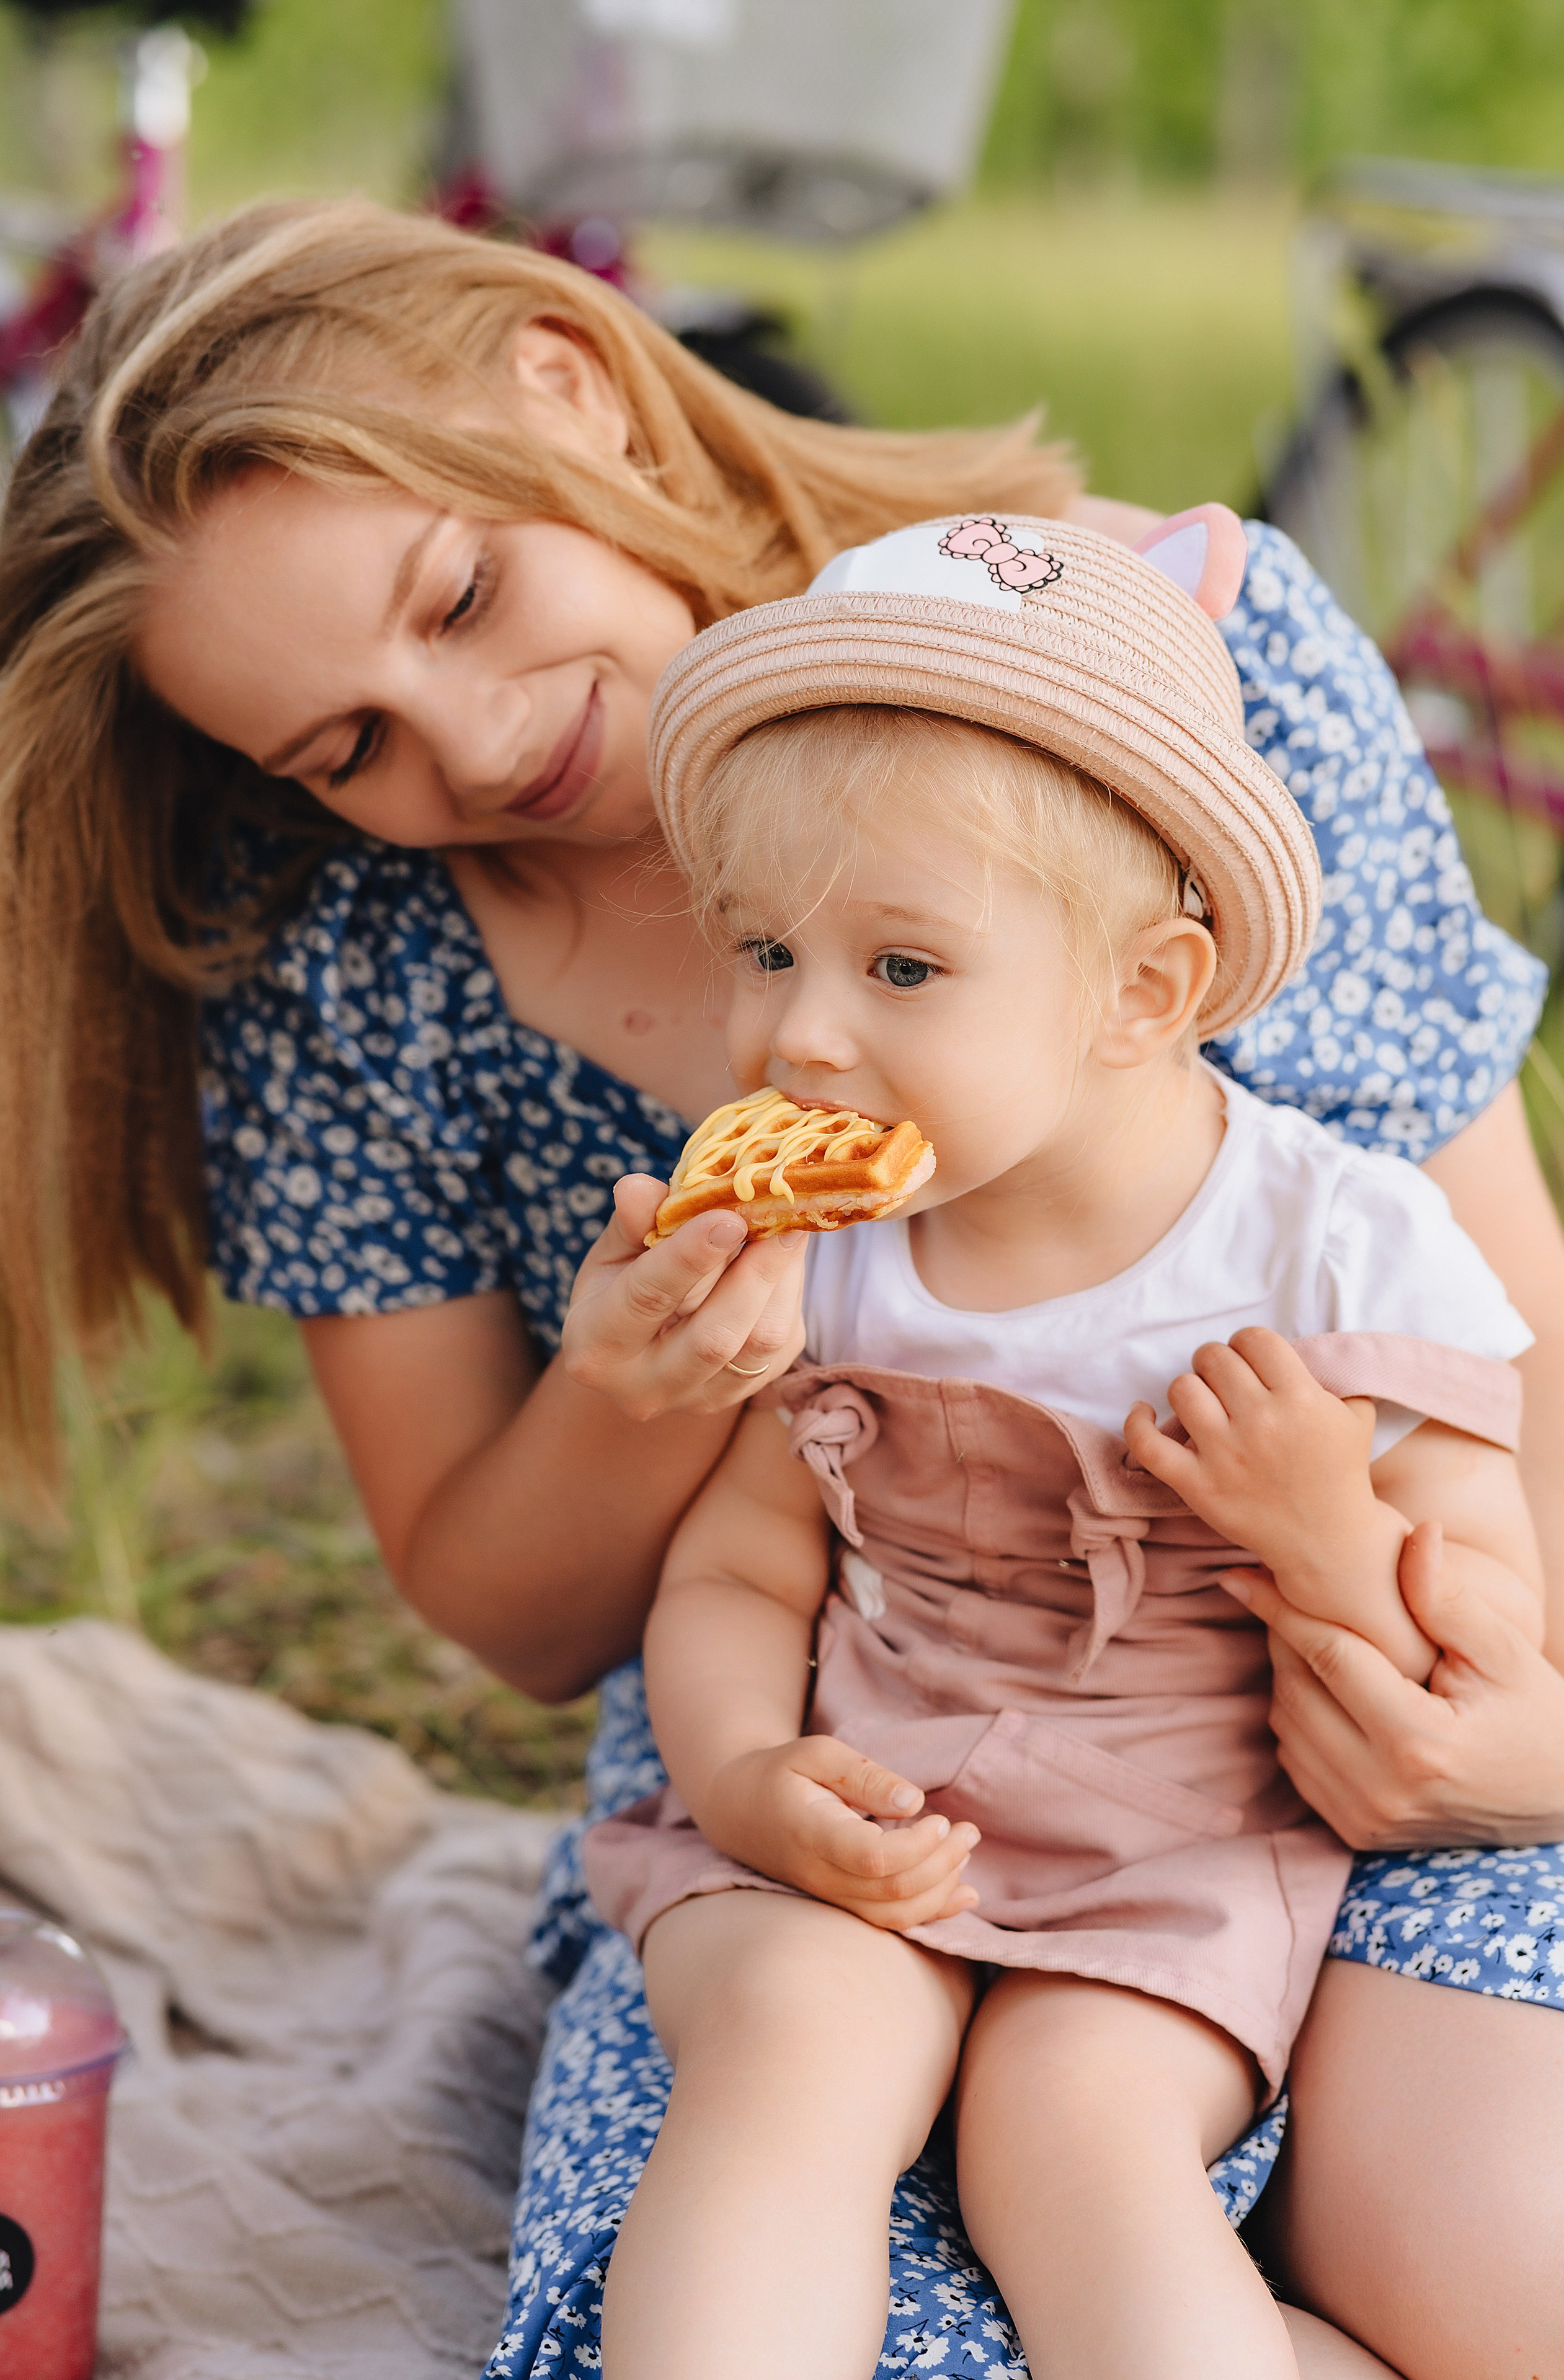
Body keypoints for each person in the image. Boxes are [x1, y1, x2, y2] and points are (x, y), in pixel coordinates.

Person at [0, 197, 1559, 2378]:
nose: (469, 735)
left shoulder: (1149, 658)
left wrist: (1517, 1729)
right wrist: (637, 1390)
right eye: (343, 749)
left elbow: (1505, 1328)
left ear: (574, 383)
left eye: (461, 595)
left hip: (1328, 1709)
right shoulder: (353, 984)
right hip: (847, 1746)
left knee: (1504, 2288)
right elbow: (530, 1615)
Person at [577, 510, 1542, 2380]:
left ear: (1144, 995)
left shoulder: (1334, 1246)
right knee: (790, 2042)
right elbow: (745, 1564)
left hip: (1175, 1845)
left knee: (1076, 2131)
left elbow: (1480, 1617)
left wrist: (1323, 1527)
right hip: (873, 1803)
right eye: (766, 950)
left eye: (904, 968)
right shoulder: (823, 1250)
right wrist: (753, 1769)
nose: (803, 1036)